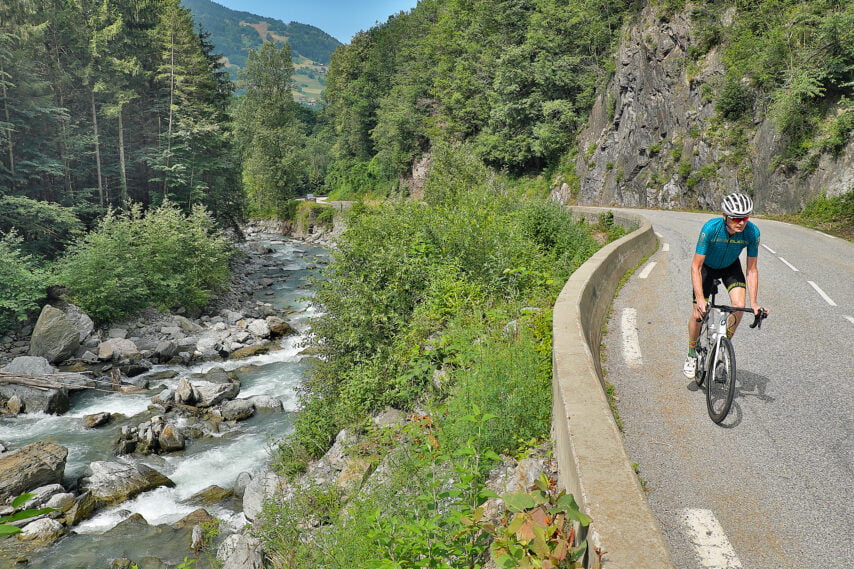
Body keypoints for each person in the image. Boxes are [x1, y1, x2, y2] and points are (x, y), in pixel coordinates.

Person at [683, 193, 768, 379]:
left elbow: (752, 270)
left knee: (738, 306)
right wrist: (699, 300)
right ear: (724, 216)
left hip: (730, 267)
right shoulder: (710, 229)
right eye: (736, 218)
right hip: (706, 268)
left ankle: (723, 346)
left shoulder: (752, 232)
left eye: (745, 218)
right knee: (698, 314)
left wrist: (754, 303)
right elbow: (695, 266)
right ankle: (691, 354)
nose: (741, 223)